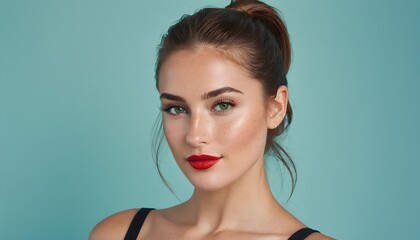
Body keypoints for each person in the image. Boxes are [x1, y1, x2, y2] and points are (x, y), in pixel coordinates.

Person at [90, 0, 333, 239]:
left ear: (276, 108)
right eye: (176, 109)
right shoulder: (117, 234)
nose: (195, 136)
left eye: (223, 105)